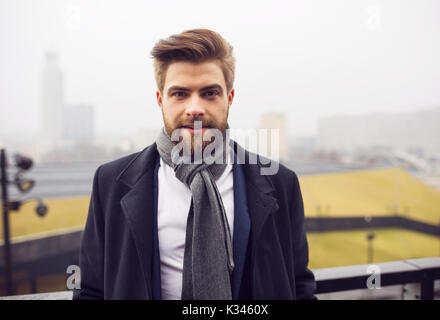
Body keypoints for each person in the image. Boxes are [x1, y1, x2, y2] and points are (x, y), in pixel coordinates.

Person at [72, 28, 316, 300]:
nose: (195, 108)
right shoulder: (110, 183)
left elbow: (299, 286)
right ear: (160, 100)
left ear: (229, 99)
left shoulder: (281, 183)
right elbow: (91, 291)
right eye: (180, 94)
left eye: (210, 93)